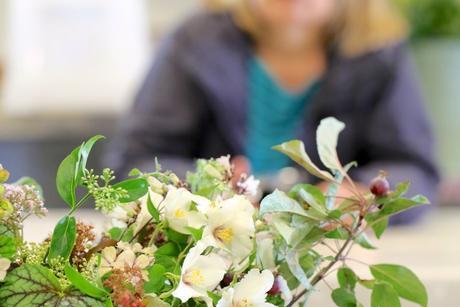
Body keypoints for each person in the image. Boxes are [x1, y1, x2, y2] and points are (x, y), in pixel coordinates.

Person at [108, 0, 439, 222]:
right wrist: (203, 189)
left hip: (330, 258)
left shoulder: (380, 54)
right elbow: (134, 164)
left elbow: (415, 172)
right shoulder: (194, 43)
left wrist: (360, 195)